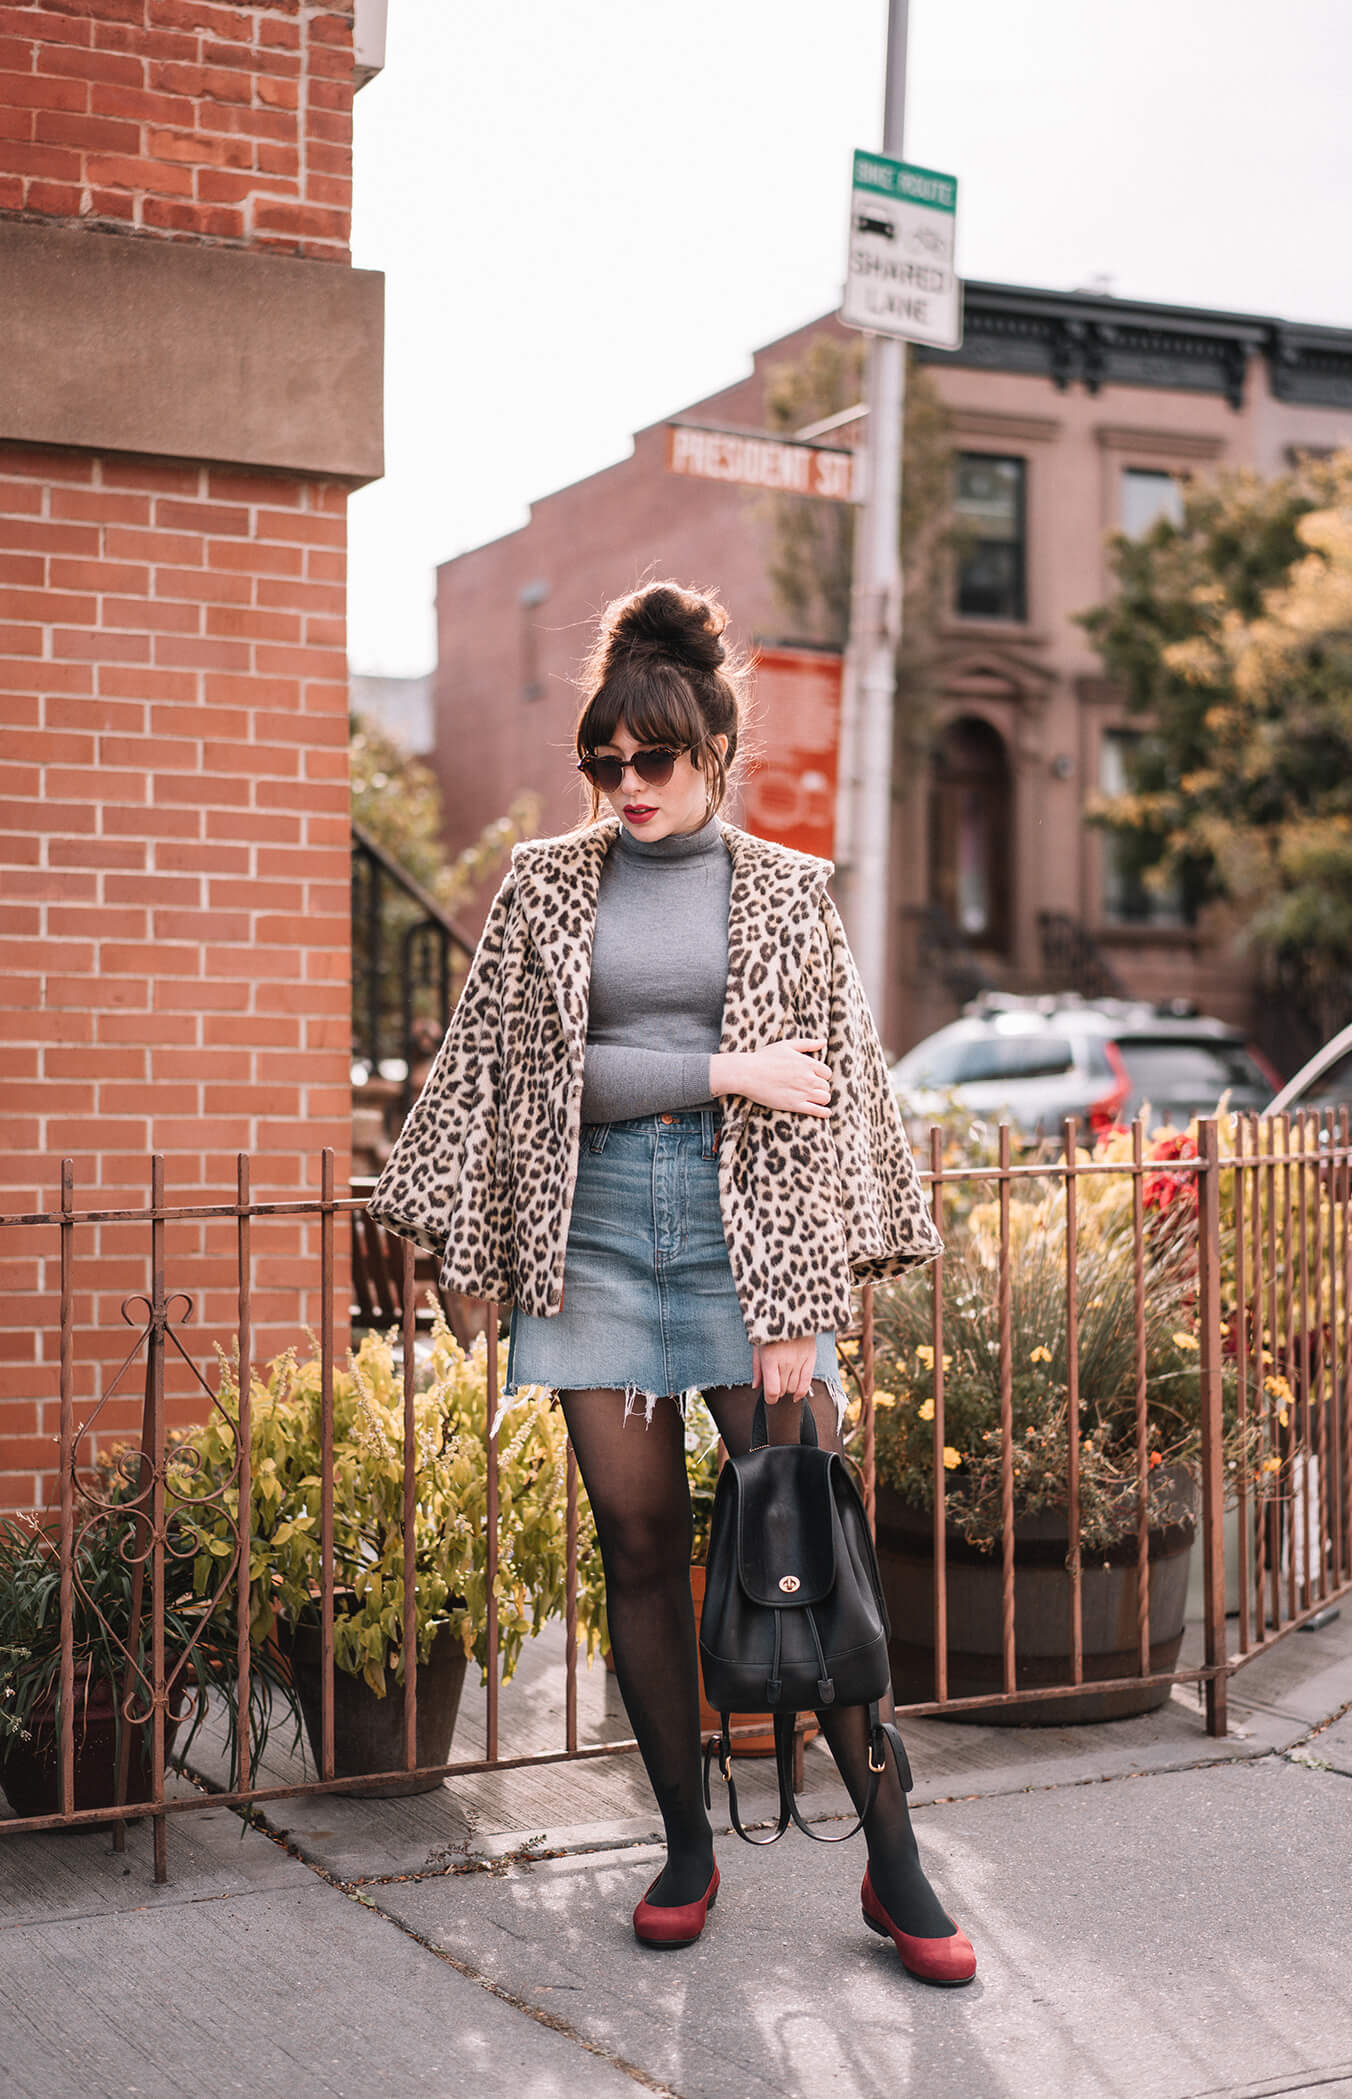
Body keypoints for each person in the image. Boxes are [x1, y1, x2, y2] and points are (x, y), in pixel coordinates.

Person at [367, 581, 976, 1985]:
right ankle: (687, 1845)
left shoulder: (784, 892)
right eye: (604, 760)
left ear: (713, 753)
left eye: (653, 759)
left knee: (808, 1550)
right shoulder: (543, 886)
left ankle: (894, 1861)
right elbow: (533, 1087)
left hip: (742, 1239)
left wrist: (798, 1317)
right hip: (591, 1244)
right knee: (637, 1549)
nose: (625, 786)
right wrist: (718, 1069)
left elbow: (819, 1110)